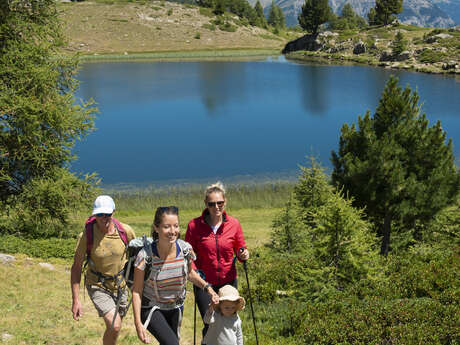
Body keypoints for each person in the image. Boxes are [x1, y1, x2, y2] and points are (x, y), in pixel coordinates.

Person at [132, 206, 220, 345]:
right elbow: (137, 291)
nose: (173, 231)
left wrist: (208, 289)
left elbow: (190, 274)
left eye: (176, 226)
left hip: (176, 307)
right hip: (152, 308)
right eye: (167, 227)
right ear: (156, 228)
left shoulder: (186, 250)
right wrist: (138, 324)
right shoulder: (145, 256)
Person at [185, 182, 249, 341]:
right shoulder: (194, 226)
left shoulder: (234, 224)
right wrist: (196, 276)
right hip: (204, 284)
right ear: (206, 204)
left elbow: (240, 250)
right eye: (212, 204)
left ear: (225, 202)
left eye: (220, 203)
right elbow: (189, 257)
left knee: (228, 321)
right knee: (210, 322)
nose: (216, 207)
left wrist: (243, 255)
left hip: (228, 282)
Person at [71, 195, 136, 345]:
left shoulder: (125, 231)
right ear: (95, 214)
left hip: (121, 286)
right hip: (97, 285)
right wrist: (76, 300)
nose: (104, 218)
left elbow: (137, 257)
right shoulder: (87, 236)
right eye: (100, 214)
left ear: (114, 212)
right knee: (115, 325)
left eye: (108, 214)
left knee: (114, 328)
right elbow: (76, 268)